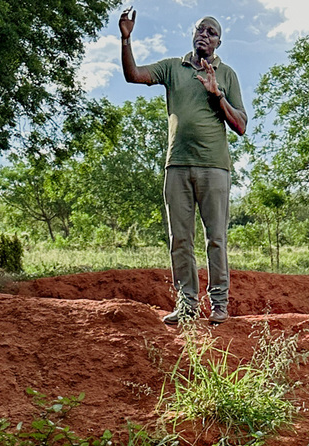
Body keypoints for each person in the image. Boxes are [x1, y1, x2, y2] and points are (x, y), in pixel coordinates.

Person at [120, 10, 247, 325]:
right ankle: (187, 305)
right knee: (180, 238)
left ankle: (219, 305)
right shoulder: (173, 68)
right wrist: (125, 39)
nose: (205, 34)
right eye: (201, 29)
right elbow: (133, 74)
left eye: (212, 32)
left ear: (218, 42)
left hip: (214, 168)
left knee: (215, 238)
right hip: (177, 166)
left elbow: (241, 126)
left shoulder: (227, 74)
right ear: (193, 35)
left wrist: (217, 95)